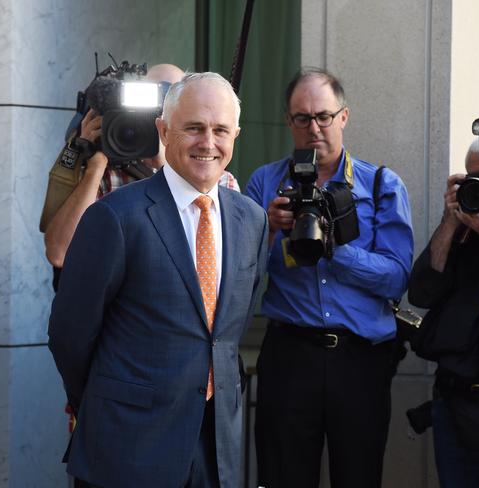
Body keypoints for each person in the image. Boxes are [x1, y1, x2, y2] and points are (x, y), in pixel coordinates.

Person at [48, 72, 268, 488]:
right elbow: (69, 335)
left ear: (236, 135)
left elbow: (227, 332)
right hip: (127, 446)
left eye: (220, 129)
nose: (208, 142)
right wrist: (105, 404)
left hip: (215, 448)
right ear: (164, 131)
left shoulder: (252, 220)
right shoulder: (114, 216)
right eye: (194, 128)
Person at [245, 67, 414, 488]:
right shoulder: (265, 183)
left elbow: (396, 279)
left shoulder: (381, 185)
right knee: (282, 475)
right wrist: (267, 229)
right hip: (289, 354)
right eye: (302, 118)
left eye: (323, 116)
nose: (314, 128)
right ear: (288, 122)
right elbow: (236, 278)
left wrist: (334, 251)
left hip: (360, 360)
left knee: (358, 476)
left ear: (344, 117)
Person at [40, 63, 239, 279]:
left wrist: (168, 169)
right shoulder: (106, 176)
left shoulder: (221, 183)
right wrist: (95, 161)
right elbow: (59, 253)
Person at [408, 139, 479, 487]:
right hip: (456, 405)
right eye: (476, 178)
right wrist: (451, 221)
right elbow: (421, 292)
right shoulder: (462, 232)